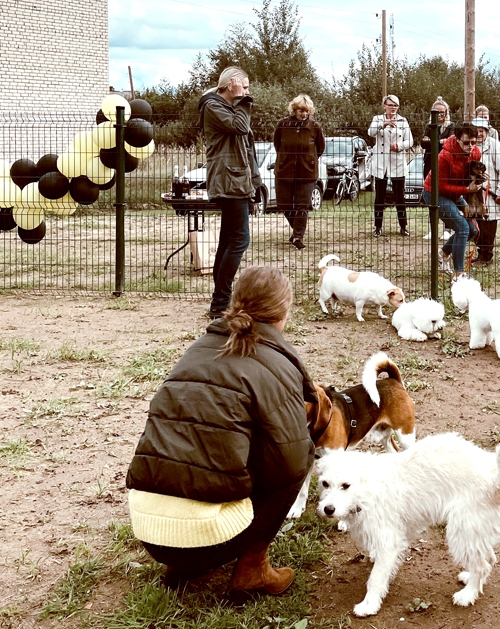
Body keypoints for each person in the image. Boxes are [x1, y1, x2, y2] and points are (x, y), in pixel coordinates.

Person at [126, 266, 317, 596]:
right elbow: (290, 462)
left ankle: (180, 566)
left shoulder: (197, 349)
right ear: (284, 312)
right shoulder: (278, 364)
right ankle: (253, 568)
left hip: (150, 530)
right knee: (300, 454)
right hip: (207, 540)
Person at [198, 66, 261, 319]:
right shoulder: (213, 106)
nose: (247, 92)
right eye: (243, 87)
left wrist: (254, 180)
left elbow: (246, 145)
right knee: (240, 240)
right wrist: (242, 101)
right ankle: (220, 303)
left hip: (236, 180)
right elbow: (240, 127)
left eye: (247, 88)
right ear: (229, 85)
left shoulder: (225, 107)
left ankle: (221, 302)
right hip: (228, 181)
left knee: (228, 241)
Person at [422, 123, 483, 278]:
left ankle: (442, 254)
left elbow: (469, 173)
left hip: (455, 193)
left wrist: (479, 178)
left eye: (474, 142)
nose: (471, 146)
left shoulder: (476, 152)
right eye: (466, 143)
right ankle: (459, 274)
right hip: (435, 193)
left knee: (473, 230)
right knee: (462, 227)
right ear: (457, 139)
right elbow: (441, 187)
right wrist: (467, 190)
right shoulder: (444, 156)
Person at [273, 94, 325, 250]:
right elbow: (277, 145)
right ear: (294, 110)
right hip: (284, 170)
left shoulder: (314, 127)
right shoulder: (283, 125)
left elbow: (320, 148)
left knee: (302, 206)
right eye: (301, 111)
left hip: (307, 172)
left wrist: (309, 160)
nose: (304, 114)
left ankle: (297, 237)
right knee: (284, 203)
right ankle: (297, 229)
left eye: (307, 111)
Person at [368, 94, 413, 237]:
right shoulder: (377, 119)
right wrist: (383, 124)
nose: (393, 108)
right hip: (381, 164)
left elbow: (410, 141)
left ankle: (403, 226)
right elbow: (370, 132)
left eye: (395, 105)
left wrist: (399, 146)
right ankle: (378, 227)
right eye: (390, 105)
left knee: (400, 196)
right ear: (384, 106)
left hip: (397, 163)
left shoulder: (403, 121)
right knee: (379, 197)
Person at [471, 117, 500, 265]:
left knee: (488, 223)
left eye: (481, 131)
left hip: (491, 193)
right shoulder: (470, 145)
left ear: (487, 131)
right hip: (474, 193)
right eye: (476, 131)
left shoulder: (495, 146)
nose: (479, 134)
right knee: (477, 223)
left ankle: (486, 256)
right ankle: (480, 253)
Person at [421, 97, 454, 241]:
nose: (440, 115)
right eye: (437, 112)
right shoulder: (429, 126)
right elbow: (423, 143)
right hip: (430, 164)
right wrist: (440, 141)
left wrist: (433, 141)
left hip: (445, 165)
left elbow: (450, 143)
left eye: (442, 112)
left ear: (447, 112)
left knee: (446, 196)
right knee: (430, 196)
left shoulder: (451, 126)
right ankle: (432, 229)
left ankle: (447, 229)